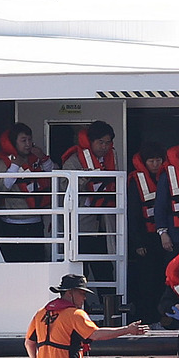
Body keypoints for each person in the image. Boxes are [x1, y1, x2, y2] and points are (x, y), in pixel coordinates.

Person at [61, 121, 120, 283]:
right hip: (82, 227)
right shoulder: (73, 161)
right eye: (100, 142)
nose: (104, 147)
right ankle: (81, 307)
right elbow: (64, 188)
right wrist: (86, 177)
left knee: (105, 271)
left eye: (108, 143)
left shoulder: (112, 158)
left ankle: (109, 306)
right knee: (81, 271)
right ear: (91, 141)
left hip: (105, 225)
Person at [0, 123, 56, 263]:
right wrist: (15, 166)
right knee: (14, 261)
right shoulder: (3, 163)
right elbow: (2, 187)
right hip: (12, 223)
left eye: (29, 140)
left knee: (37, 260)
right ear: (14, 142)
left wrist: (44, 158)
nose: (28, 144)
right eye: (23, 140)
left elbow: (56, 176)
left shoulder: (36, 159)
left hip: (36, 221)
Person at [128, 142, 169, 324]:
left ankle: (163, 318)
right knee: (146, 281)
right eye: (151, 161)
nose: (155, 164)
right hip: (145, 239)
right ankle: (146, 318)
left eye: (158, 160)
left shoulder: (168, 177)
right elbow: (133, 213)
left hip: (165, 237)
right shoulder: (136, 181)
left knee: (164, 279)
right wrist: (137, 243)